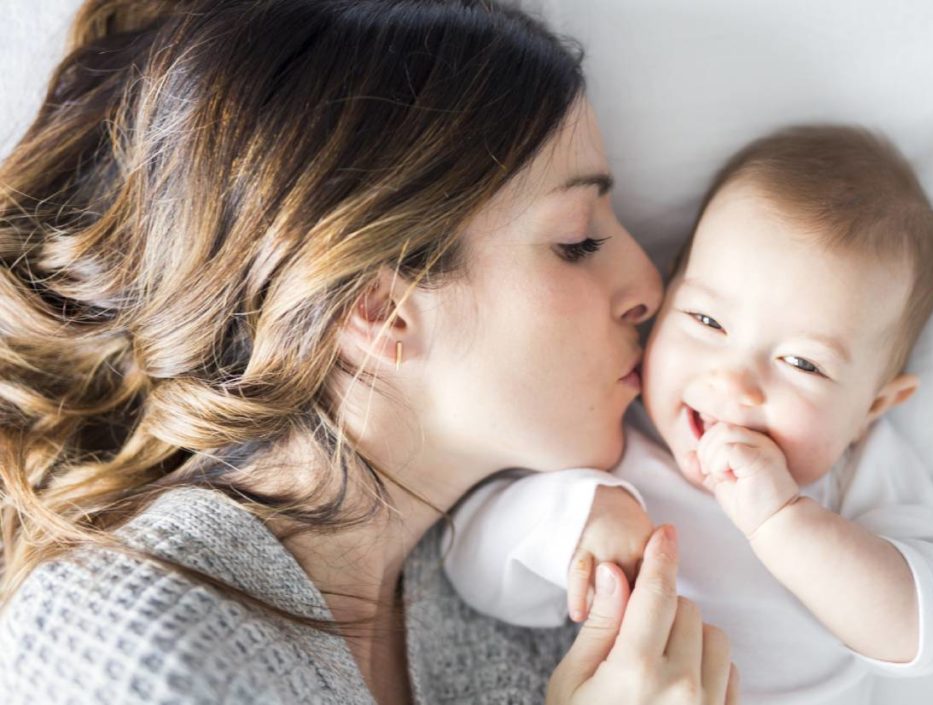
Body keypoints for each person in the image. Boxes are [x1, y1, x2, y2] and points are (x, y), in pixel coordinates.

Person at [0, 1, 741, 703]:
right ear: (379, 311)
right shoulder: (128, 640)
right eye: (576, 241)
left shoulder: (547, 607)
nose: (651, 283)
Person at [443, 125, 933, 704]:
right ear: (669, 294)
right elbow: (469, 568)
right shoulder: (611, 435)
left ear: (871, 408)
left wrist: (782, 519)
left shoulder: (857, 469)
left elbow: (931, 632)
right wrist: (578, 519)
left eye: (802, 363)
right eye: (707, 322)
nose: (734, 381)